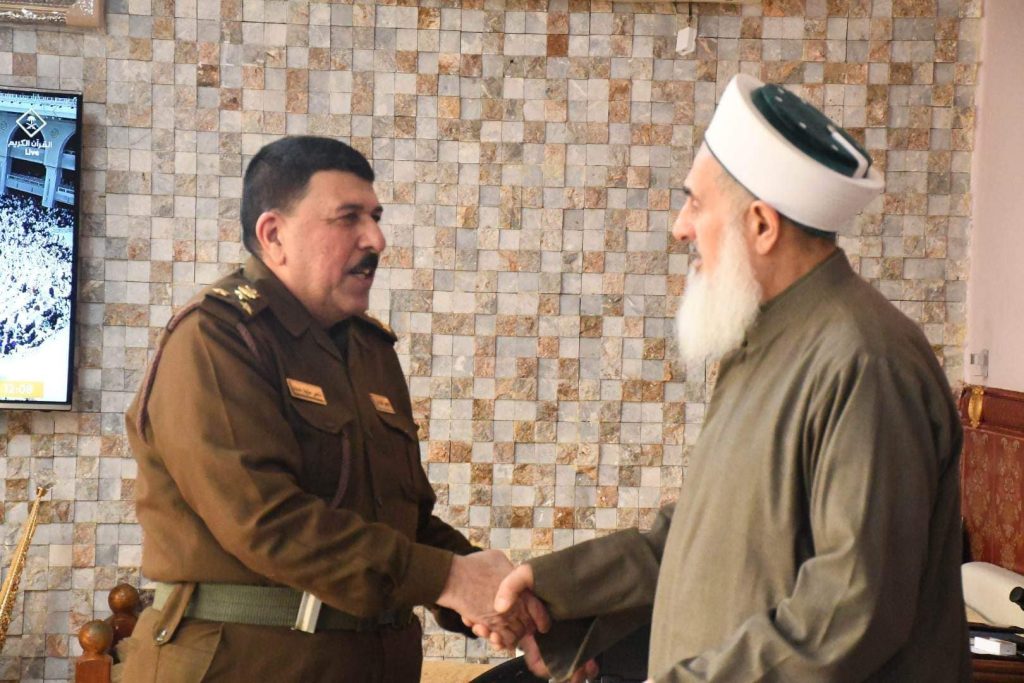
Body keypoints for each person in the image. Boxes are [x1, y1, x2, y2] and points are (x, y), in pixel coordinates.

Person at [482, 74, 970, 682]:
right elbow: (703, 537)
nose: (680, 227)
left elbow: (850, 607)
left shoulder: (866, 362)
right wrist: (556, 592)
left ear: (762, 225)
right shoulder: (764, 342)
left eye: (696, 202)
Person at [118, 136, 544, 682]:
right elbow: (268, 522)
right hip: (245, 667)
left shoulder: (369, 349)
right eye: (348, 218)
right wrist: (450, 579)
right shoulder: (216, 339)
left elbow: (405, 523)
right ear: (274, 235)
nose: (376, 239)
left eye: (376, 218)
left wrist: (511, 604)